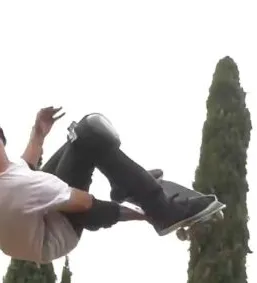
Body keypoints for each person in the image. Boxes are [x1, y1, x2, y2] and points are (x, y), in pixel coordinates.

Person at [0, 107, 218, 264]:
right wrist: (143, 213)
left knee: (77, 138)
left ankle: (124, 185)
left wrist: (38, 133)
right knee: (88, 133)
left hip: (32, 224)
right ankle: (163, 211)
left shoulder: (12, 177)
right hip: (55, 234)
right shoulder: (21, 187)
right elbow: (86, 205)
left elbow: (25, 165)